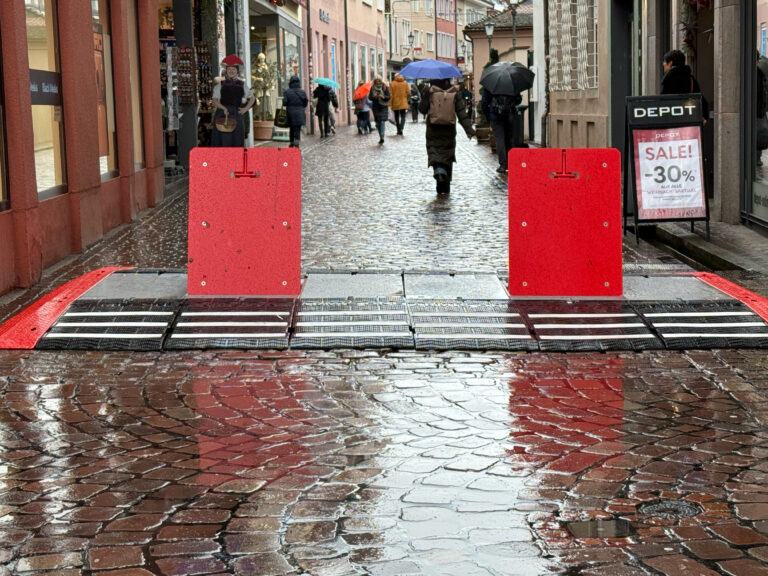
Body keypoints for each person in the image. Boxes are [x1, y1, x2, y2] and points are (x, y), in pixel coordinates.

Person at [418, 78, 475, 194]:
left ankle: (438, 171)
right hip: (449, 129)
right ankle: (446, 183)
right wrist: (469, 130)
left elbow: (422, 110)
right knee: (447, 154)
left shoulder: (430, 92)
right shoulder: (454, 92)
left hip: (433, 129)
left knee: (434, 151)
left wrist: (425, 95)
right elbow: (462, 114)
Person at [211, 54, 255, 147]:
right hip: (222, 113)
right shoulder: (220, 85)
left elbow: (252, 98)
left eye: (233, 69)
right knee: (222, 141)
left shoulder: (242, 84)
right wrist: (223, 108)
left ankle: (235, 160)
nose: (231, 71)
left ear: (237, 71)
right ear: (226, 71)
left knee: (237, 140)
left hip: (236, 113)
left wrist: (245, 109)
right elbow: (214, 100)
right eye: (229, 69)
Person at [660, 49, 709, 124]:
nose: (663, 64)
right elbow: (702, 100)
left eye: (664, 62)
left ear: (670, 63)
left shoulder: (669, 80)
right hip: (689, 122)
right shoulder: (690, 79)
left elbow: (662, 102)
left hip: (673, 122)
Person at [481, 88, 522, 174]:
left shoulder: (490, 84)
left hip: (495, 116)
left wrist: (489, 118)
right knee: (509, 139)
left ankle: (503, 165)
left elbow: (484, 103)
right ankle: (511, 163)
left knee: (499, 139)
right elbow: (518, 100)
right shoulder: (511, 82)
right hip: (509, 115)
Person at [282, 75, 308, 149]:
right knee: (297, 128)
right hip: (300, 112)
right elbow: (305, 103)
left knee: (292, 128)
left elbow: (284, 103)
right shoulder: (302, 92)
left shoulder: (287, 92)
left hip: (290, 112)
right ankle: (296, 143)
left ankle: (291, 142)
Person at [369, 77, 391, 145]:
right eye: (376, 81)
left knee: (382, 121)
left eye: (379, 81)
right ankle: (380, 136)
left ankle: (382, 136)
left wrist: (383, 97)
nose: (378, 82)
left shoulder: (384, 87)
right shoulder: (372, 88)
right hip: (375, 107)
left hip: (383, 106)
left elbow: (388, 97)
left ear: (381, 81)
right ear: (374, 82)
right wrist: (374, 96)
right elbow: (369, 97)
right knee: (378, 123)